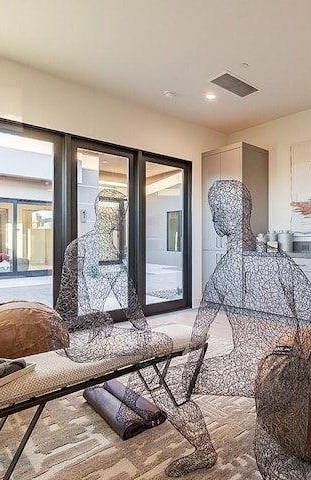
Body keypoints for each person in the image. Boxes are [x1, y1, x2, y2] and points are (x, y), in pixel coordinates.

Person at [54, 188, 217, 477]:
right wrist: (99, 322)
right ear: (101, 213)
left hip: (100, 337)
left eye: (121, 214)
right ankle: (200, 444)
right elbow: (65, 313)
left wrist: (144, 331)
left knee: (151, 352)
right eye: (116, 214)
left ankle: (141, 394)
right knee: (157, 376)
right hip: (83, 345)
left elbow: (129, 300)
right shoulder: (79, 249)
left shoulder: (108, 251)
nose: (119, 220)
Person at [184, 179, 311, 479]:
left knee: (272, 458)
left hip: (278, 369)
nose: (213, 218)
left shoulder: (275, 262)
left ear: (237, 212)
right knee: (167, 383)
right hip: (244, 363)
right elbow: (202, 323)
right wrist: (190, 362)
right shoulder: (223, 270)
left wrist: (294, 362)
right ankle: (204, 450)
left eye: (218, 210)